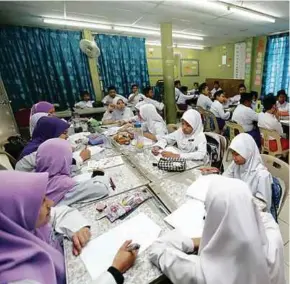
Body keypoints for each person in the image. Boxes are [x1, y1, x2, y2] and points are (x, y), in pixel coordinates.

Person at [0, 171, 139, 284]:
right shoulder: (17, 277)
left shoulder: (17, 227)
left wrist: (79, 228)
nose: (51, 202)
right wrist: (115, 271)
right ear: (18, 211)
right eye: (41, 202)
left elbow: (60, 212)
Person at [149, 175, 285, 284]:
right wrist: (240, 205)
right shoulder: (273, 240)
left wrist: (193, 241)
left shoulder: (202, 273)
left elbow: (157, 249)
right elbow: (264, 217)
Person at [35, 138, 110, 206]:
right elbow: (100, 188)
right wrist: (102, 176)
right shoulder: (62, 183)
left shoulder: (37, 176)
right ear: (64, 160)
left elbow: (68, 172)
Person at [223, 133, 272, 211]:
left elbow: (263, 204)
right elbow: (224, 178)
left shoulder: (262, 175)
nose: (234, 158)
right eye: (233, 154)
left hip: (253, 213)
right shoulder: (236, 164)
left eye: (237, 155)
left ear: (248, 152)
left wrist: (242, 204)